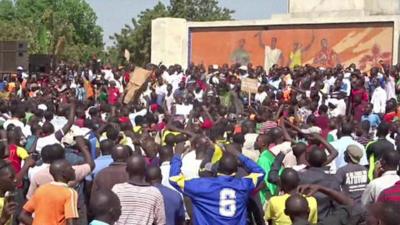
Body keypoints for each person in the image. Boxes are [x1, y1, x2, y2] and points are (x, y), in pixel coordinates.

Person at [169, 142, 265, 225]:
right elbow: (260, 172)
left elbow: (174, 178)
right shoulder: (243, 185)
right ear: (236, 171)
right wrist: (237, 153)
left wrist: (177, 154)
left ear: (217, 168)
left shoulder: (201, 186)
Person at [19, 160, 79, 225]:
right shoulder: (70, 193)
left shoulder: (41, 189)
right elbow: (70, 221)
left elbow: (23, 216)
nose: (74, 170)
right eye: (70, 168)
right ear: (63, 173)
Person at [112, 154, 165, 225]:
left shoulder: (117, 190)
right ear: (146, 170)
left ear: (127, 170)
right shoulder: (155, 193)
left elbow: (110, 217)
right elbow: (161, 222)